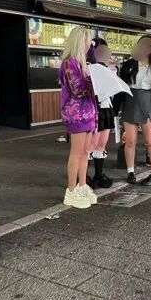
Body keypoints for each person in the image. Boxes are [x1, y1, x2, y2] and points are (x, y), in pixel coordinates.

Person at [58, 27, 98, 208]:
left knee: (85, 152)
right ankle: (71, 190)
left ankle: (82, 185)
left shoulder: (82, 63)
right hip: (77, 114)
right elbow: (78, 90)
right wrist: (94, 80)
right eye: (87, 41)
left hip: (88, 112)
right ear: (79, 41)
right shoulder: (70, 63)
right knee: (77, 153)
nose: (89, 45)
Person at [119, 35, 151, 185]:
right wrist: (117, 107)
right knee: (130, 141)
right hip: (130, 101)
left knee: (150, 141)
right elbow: (121, 85)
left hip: (149, 102)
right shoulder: (129, 64)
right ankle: (130, 171)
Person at [90, 43, 115, 188]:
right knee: (90, 145)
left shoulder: (109, 70)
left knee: (101, 144)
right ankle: (84, 178)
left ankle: (98, 175)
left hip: (106, 108)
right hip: (94, 109)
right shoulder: (90, 69)